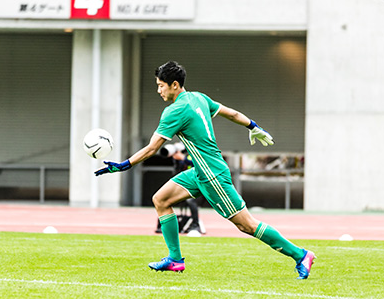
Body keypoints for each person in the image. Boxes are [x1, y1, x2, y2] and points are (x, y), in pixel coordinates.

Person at [94, 61, 315, 279]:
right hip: (200, 171)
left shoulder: (174, 111)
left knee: (247, 225)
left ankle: (301, 255)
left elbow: (153, 148)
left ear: (174, 85)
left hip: (212, 175)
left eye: (161, 85)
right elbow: (232, 114)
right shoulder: (199, 97)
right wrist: (253, 126)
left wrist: (124, 165)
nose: (158, 90)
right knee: (161, 200)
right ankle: (175, 260)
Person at [156, 142, 202, 234]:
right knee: (162, 198)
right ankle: (163, 225)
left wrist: (183, 158)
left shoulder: (195, 155)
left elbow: (199, 165)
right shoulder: (180, 158)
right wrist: (177, 160)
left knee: (190, 201)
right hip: (184, 186)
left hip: (198, 187)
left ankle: (195, 225)